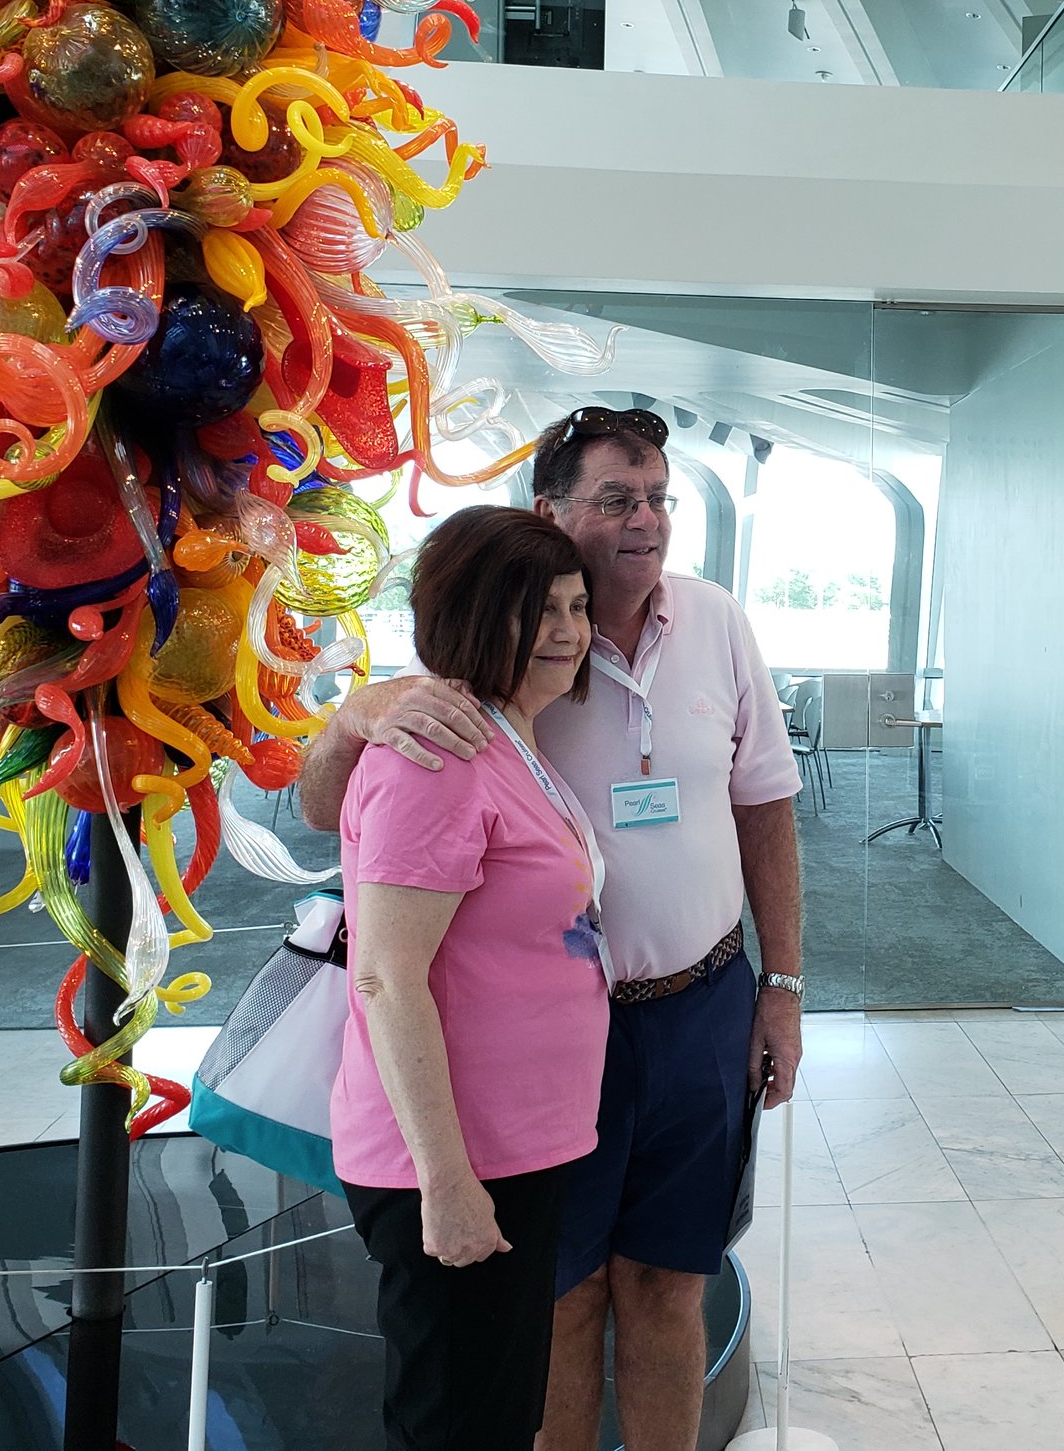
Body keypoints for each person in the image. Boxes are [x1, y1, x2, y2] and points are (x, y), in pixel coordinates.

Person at [303, 405, 805, 1451]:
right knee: (557, 1296)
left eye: (659, 497)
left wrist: (783, 986)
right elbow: (330, 815)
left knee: (672, 1283)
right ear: (553, 509)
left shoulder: (713, 622)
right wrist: (351, 714)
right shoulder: (471, 682)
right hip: (543, 1050)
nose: (646, 520)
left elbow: (765, 809)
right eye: (616, 498)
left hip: (700, 1008)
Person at [331, 508, 609, 1451]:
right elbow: (386, 979)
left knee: (496, 1411)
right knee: (458, 1423)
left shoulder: (509, 738)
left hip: (515, 1142)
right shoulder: (439, 758)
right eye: (538, 611)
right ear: (472, 613)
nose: (567, 632)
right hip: (457, 1156)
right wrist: (443, 1183)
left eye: (576, 606)